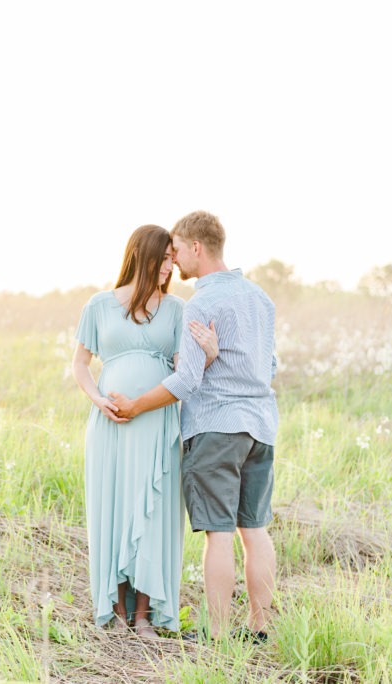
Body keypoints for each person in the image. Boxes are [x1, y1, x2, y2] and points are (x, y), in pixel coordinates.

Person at [109, 211, 279, 644]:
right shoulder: (261, 299)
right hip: (260, 428)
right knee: (254, 529)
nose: (176, 260)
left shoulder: (202, 303)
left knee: (218, 534)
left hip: (216, 428)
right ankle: (259, 628)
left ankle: (218, 635)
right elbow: (270, 365)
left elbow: (187, 383)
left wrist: (137, 405)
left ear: (197, 248)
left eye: (178, 250)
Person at [72, 224, 218, 638]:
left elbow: (181, 369)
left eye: (174, 258)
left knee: (151, 511)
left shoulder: (176, 309)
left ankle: (143, 615)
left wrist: (208, 357)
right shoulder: (99, 305)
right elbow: (80, 363)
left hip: (156, 423)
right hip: (110, 425)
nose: (171, 266)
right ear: (142, 256)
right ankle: (116, 611)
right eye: (165, 257)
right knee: (113, 508)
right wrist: (97, 399)